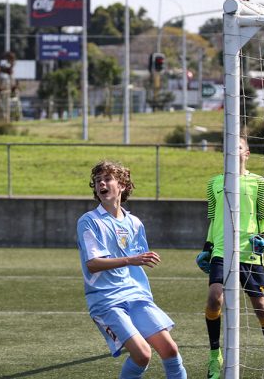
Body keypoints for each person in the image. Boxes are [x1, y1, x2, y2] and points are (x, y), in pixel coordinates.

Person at [76, 160, 187, 379]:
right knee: (142, 355)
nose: (101, 184)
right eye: (97, 181)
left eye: (107, 179)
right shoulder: (89, 221)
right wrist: (130, 259)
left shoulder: (135, 223)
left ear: (123, 185)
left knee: (170, 350)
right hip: (106, 300)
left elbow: (137, 260)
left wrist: (138, 262)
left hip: (136, 295)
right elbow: (93, 263)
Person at [196, 136, 264, 379]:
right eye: (228, 147)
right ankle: (215, 356)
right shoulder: (214, 183)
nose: (232, 150)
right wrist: (207, 246)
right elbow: (214, 219)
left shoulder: (259, 182)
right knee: (215, 299)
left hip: (249, 252)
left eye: (238, 146)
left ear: (246, 153)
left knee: (261, 307)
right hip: (221, 252)